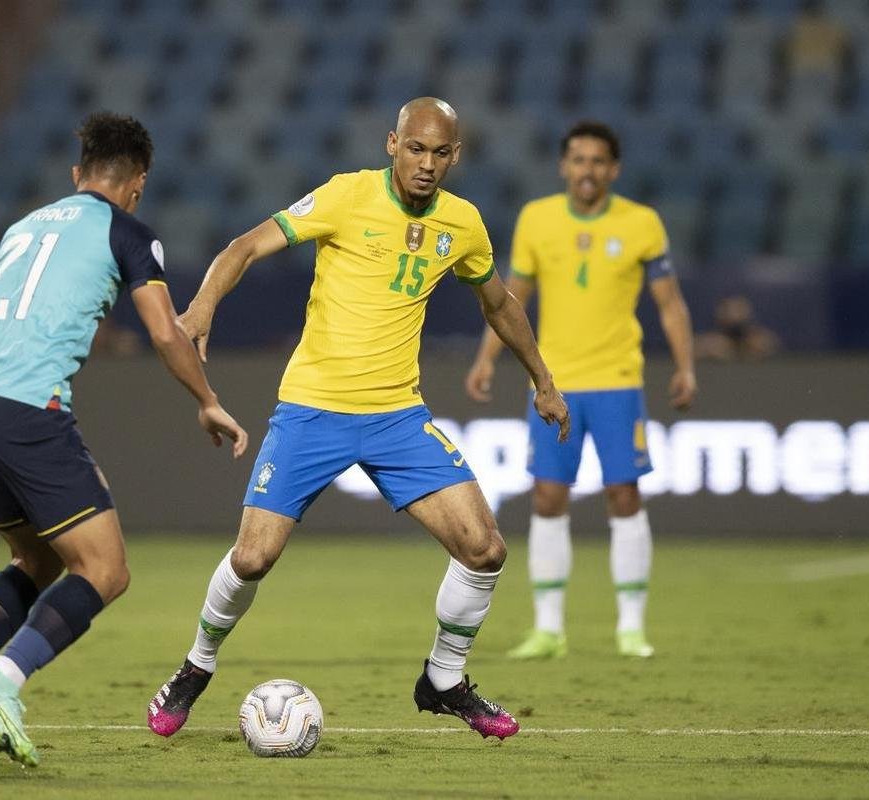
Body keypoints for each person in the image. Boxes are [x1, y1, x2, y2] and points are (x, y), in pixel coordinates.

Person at [144, 97, 569, 742]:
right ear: (391, 143)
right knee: (253, 558)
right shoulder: (345, 196)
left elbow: (499, 304)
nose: (427, 164)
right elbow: (244, 246)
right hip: (312, 408)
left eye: (441, 153)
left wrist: (542, 377)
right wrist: (201, 306)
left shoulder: (464, 224)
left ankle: (444, 679)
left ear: (457, 156)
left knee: (484, 550)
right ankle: (196, 667)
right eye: (416, 149)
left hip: (397, 414)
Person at [0, 112, 248, 772]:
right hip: (28, 415)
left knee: (34, 563)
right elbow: (163, 331)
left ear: (76, 175)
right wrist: (207, 400)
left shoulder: (22, 229)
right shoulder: (128, 233)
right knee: (105, 570)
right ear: (138, 185)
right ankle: (3, 682)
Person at [465, 120, 696, 661]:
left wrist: (686, 365)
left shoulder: (641, 223)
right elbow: (508, 299)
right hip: (555, 383)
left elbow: (669, 303)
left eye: (597, 161)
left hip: (618, 380)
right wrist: (485, 358)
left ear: (612, 170)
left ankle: (631, 627)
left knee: (625, 495)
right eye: (577, 160)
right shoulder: (537, 219)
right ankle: (549, 630)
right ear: (563, 166)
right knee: (547, 497)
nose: (587, 170)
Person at [694, 294, 780, 361]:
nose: (735, 316)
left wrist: (748, 352)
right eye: (729, 313)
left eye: (739, 312)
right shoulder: (710, 342)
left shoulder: (761, 341)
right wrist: (707, 351)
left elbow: (771, 349)